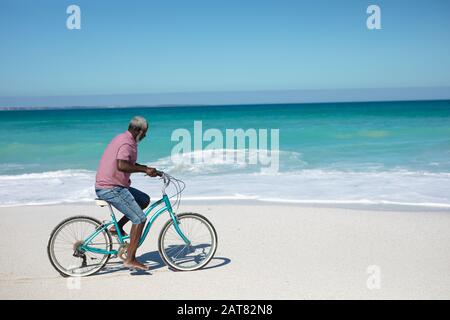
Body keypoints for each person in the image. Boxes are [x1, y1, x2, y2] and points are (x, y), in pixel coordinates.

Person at [95, 116, 160, 271]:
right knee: (139, 219)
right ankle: (130, 259)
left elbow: (128, 163)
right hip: (110, 187)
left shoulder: (124, 138)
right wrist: (144, 170)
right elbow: (122, 165)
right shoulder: (126, 143)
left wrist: (148, 168)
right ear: (138, 130)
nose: (145, 136)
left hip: (115, 185)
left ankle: (116, 227)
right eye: (145, 132)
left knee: (143, 200)